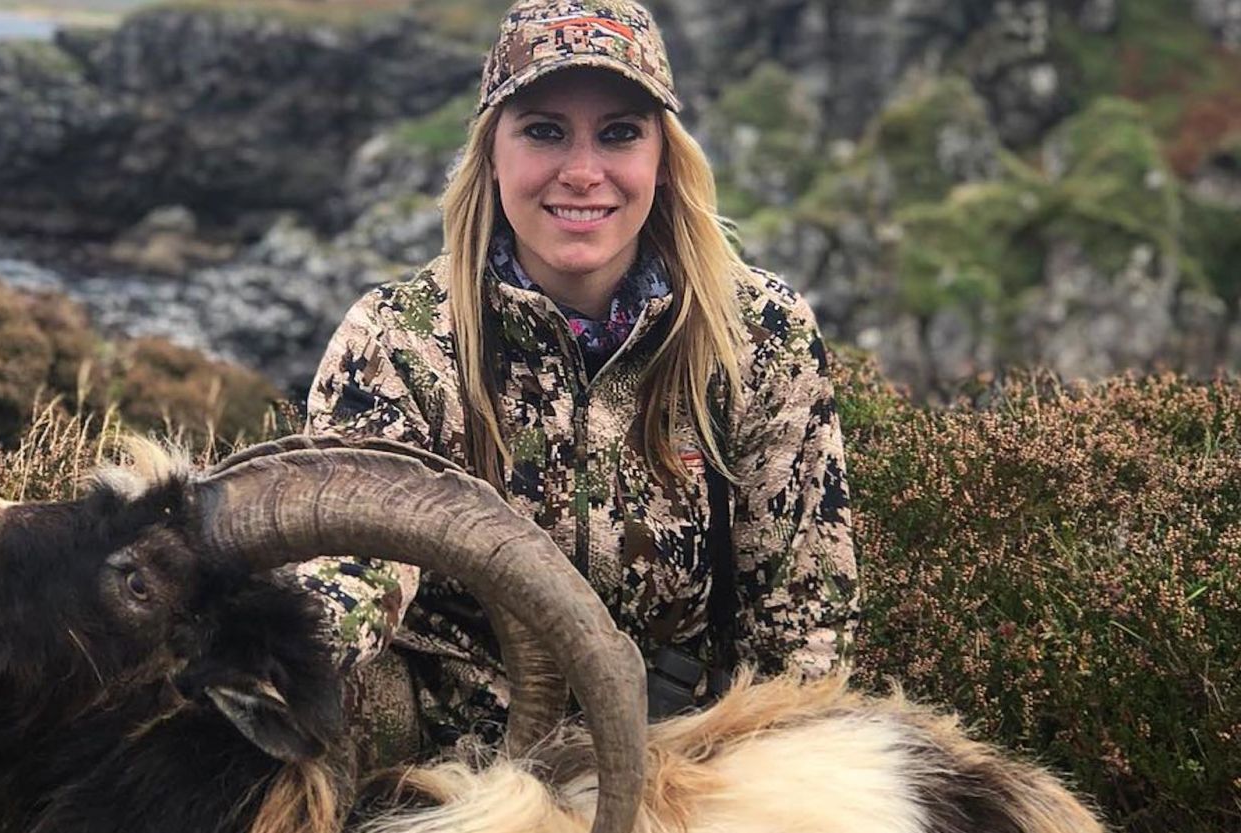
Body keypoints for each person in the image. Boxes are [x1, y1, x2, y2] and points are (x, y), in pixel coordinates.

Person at [302, 0, 857, 747]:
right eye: (544, 131)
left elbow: (803, 630)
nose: (583, 172)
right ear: (492, 151)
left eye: (620, 133)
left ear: (662, 161)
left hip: (690, 767)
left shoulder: (761, 336)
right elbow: (351, 568)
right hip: (457, 777)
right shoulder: (397, 342)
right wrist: (278, 652)